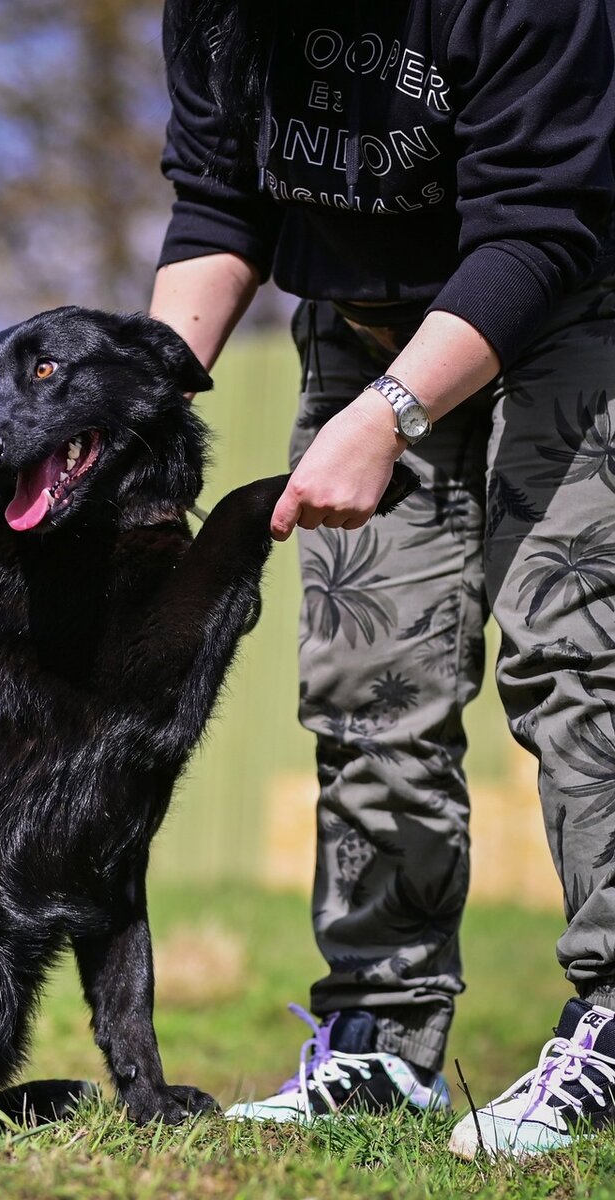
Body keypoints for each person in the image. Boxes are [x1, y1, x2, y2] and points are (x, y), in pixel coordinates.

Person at [149, 0, 615, 1159]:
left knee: (576, 654)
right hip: (358, 321)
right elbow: (219, 202)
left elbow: (541, 227)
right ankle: (380, 1040)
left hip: (563, 306)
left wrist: (390, 415)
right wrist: (139, 412)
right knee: (369, 678)